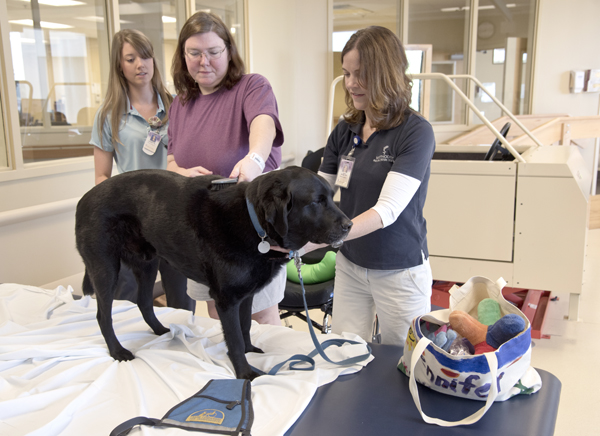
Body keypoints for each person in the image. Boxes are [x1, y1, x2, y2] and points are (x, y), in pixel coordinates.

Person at [304, 26, 436, 345]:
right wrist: (296, 226)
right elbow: (321, 191)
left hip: (399, 268)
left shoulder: (415, 132)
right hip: (350, 263)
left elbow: (386, 210)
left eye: (359, 74)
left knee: (405, 361)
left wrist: (317, 241)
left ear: (385, 73)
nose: (350, 84)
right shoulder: (345, 129)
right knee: (345, 352)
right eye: (346, 74)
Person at [167, 12, 285, 326]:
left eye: (213, 52)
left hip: (248, 230)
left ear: (229, 52)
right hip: (204, 230)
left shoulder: (251, 86)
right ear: (183, 56)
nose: (203, 61)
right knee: (219, 314)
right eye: (194, 53)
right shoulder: (180, 104)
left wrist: (254, 159)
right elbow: (170, 161)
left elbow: (264, 123)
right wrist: (182, 176)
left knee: (258, 320)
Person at [90, 29, 195, 312]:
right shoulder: (109, 114)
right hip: (132, 220)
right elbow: (102, 177)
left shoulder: (179, 106)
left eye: (146, 55)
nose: (141, 64)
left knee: (183, 299)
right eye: (130, 58)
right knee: (127, 298)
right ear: (119, 66)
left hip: (176, 215)